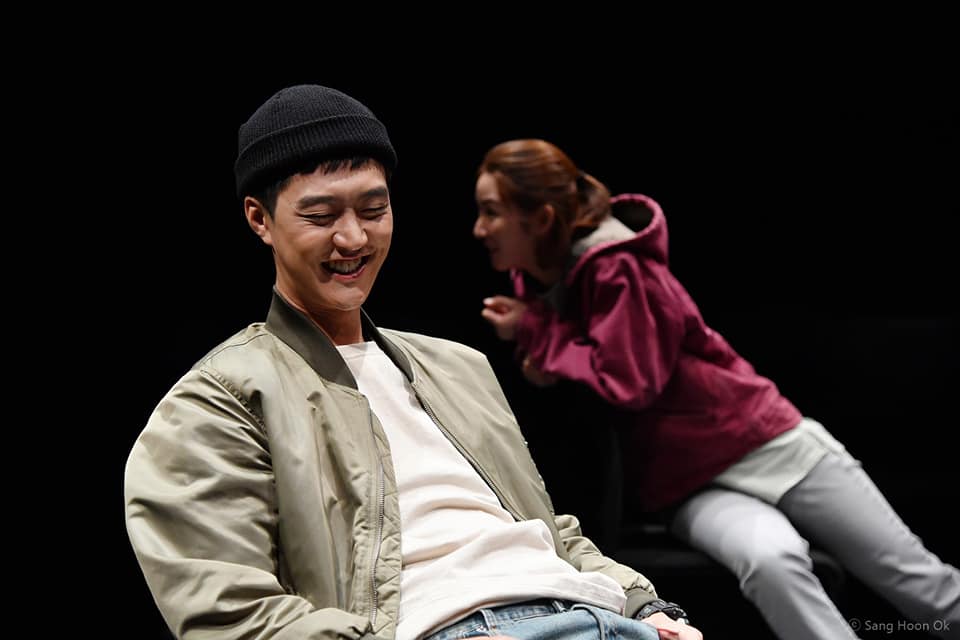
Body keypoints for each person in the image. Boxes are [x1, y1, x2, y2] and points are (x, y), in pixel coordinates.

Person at [123, 86, 704, 640]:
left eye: (373, 209)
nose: (354, 238)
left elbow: (547, 530)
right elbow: (229, 611)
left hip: (598, 615)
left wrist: (645, 604)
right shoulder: (219, 399)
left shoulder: (459, 367)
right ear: (259, 219)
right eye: (321, 216)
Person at [471, 138, 960, 640]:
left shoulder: (616, 265)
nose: (479, 228)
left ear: (542, 218)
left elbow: (631, 381)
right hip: (687, 485)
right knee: (772, 562)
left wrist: (536, 330)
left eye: (491, 212)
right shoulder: (541, 281)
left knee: (924, 586)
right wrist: (540, 339)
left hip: (766, 445)